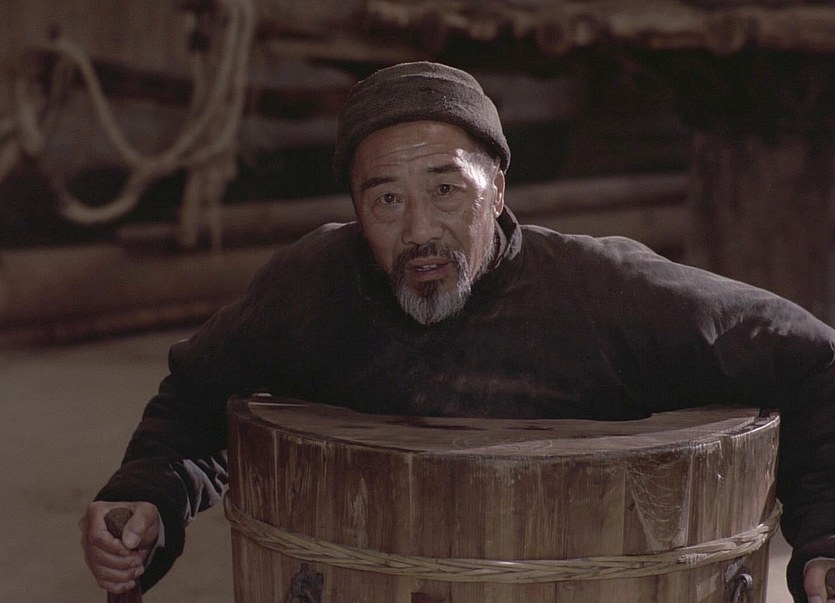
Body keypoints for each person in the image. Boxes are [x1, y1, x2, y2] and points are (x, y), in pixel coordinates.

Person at [80, 61, 835, 603]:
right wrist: (148, 497)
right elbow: (198, 394)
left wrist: (823, 539)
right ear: (355, 209)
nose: (419, 230)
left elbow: (812, 361)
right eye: (385, 200)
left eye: (446, 189)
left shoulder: (606, 294)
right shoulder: (315, 286)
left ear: (497, 188)